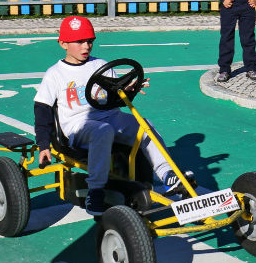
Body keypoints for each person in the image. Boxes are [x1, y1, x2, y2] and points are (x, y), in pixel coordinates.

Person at [33, 16, 187, 216]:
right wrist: (43, 143)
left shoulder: (100, 65)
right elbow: (42, 109)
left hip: (110, 115)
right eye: (79, 42)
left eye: (89, 41)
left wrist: (130, 90)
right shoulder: (55, 74)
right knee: (102, 131)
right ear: (63, 43)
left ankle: (168, 175)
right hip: (79, 125)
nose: (86, 46)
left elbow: (115, 98)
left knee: (144, 125)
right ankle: (95, 191)